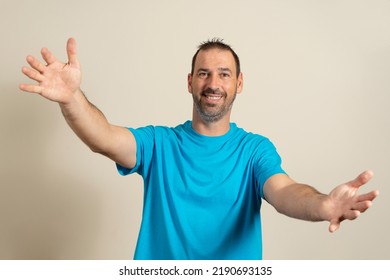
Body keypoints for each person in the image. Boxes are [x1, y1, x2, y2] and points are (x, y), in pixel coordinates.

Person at [20, 38, 379, 260]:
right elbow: (103, 137)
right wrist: (71, 99)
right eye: (204, 73)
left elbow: (285, 191)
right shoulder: (159, 143)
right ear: (190, 82)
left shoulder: (254, 150)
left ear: (239, 84)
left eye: (224, 74)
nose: (213, 83)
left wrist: (324, 205)